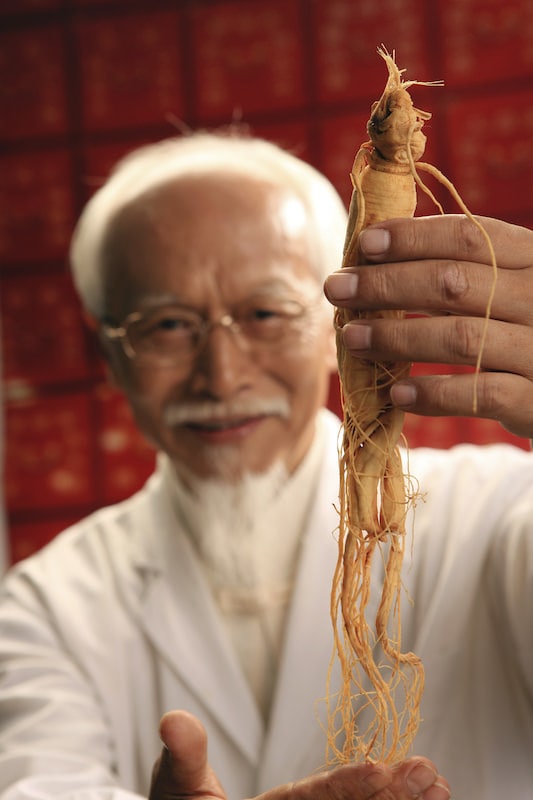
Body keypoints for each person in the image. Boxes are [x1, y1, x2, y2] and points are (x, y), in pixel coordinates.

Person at [0, 131, 532, 800]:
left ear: (336, 326)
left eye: (264, 313)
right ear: (109, 355)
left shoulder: (497, 511)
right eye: (165, 325)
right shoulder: (47, 608)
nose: (221, 377)